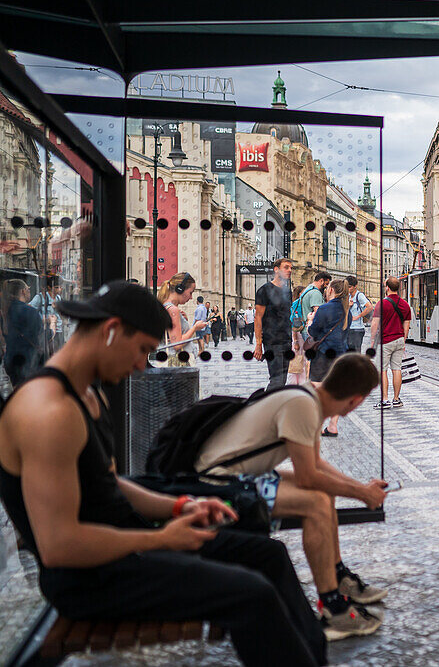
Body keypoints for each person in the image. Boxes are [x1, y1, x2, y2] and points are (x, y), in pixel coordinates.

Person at [0, 281, 328, 666]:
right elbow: (59, 547)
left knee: (267, 555)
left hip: (123, 545)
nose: (142, 364)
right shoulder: (48, 412)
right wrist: (162, 539)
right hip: (91, 577)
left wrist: (181, 506)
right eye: (141, 349)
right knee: (251, 592)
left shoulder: (86, 393)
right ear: (110, 332)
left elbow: (109, 485)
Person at [194, 353, 388, 640]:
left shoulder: (309, 397)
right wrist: (362, 493)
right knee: (316, 501)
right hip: (218, 484)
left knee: (322, 492)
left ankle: (337, 577)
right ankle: (333, 609)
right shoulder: (303, 407)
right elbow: (308, 476)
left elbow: (317, 466)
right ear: (356, 400)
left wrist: (362, 487)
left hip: (235, 475)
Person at [308, 280, 351, 437]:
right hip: (341, 355)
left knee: (317, 388)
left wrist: (310, 320)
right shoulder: (347, 311)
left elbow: (313, 332)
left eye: (327, 289)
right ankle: (333, 426)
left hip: (323, 355)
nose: (325, 291)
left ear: (331, 289)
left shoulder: (324, 308)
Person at [371, 277, 411, 410]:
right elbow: (406, 326)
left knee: (382, 370)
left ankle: (385, 400)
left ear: (387, 287)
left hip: (385, 341)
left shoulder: (381, 304)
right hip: (399, 340)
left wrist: (372, 341)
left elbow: (375, 324)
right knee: (396, 369)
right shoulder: (405, 305)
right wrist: (402, 340)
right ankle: (396, 399)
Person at [255, 259, 294, 390]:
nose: (289, 270)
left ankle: (274, 407)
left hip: (286, 341)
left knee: (282, 381)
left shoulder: (287, 291)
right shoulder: (264, 290)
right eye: (286, 267)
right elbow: (258, 318)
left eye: (290, 268)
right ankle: (265, 406)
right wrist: (258, 344)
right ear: (276, 269)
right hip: (272, 341)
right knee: (276, 381)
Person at [157, 272, 207, 366]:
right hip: (177, 363)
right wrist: (195, 328)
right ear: (180, 289)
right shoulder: (173, 310)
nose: (191, 297)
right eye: (190, 292)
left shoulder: (164, 307)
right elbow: (177, 344)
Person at [2, 279, 45, 386]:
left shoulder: (5, 311)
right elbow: (42, 338)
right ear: (23, 291)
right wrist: (52, 326)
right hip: (29, 362)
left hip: (11, 360)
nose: (29, 292)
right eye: (28, 289)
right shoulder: (30, 312)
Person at [30, 275, 63, 354]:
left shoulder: (58, 298)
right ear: (49, 287)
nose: (59, 290)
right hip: (46, 331)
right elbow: (29, 310)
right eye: (56, 287)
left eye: (60, 287)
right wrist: (42, 319)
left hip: (58, 330)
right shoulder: (40, 297)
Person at [346, 276, 373, 354]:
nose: (348, 289)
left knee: (356, 353)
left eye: (350, 287)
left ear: (355, 286)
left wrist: (359, 316)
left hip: (357, 328)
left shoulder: (359, 296)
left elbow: (369, 307)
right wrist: (348, 306)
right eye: (347, 287)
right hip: (349, 328)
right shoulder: (348, 296)